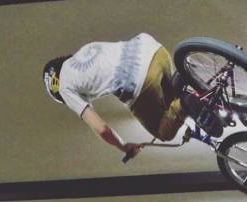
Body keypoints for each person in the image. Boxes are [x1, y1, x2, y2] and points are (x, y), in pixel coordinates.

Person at [43, 33, 199, 159]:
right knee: (169, 103)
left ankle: (184, 104)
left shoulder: (64, 88)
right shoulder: (86, 50)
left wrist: (123, 146)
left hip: (138, 82)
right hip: (155, 50)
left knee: (164, 132)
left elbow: (102, 129)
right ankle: (196, 91)